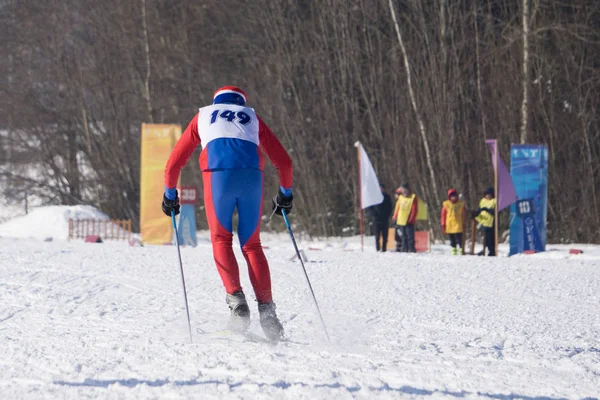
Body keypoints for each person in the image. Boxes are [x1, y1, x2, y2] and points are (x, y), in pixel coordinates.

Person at [162, 86, 293, 341]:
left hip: (217, 175)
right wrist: (285, 194)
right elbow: (284, 162)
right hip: (252, 177)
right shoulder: (251, 117)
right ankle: (268, 312)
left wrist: (170, 196)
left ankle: (237, 303)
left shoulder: (203, 115)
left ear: (216, 100)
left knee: (221, 238)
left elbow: (173, 164)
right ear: (242, 101)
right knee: (252, 245)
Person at [366, 184, 393, 252]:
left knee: (385, 236)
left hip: (384, 219)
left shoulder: (387, 197)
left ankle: (384, 249)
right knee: (377, 236)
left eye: (382, 188)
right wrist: (373, 215)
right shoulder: (373, 197)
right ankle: (377, 249)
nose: (380, 189)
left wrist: (387, 215)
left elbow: (390, 207)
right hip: (376, 219)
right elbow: (370, 208)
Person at [392, 183, 418, 253]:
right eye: (402, 190)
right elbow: (397, 208)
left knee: (410, 237)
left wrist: (411, 219)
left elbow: (414, 210)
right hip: (401, 220)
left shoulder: (413, 197)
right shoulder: (400, 197)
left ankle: (412, 250)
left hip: (409, 221)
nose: (404, 191)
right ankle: (404, 250)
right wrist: (395, 216)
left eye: (405, 190)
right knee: (403, 237)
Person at [472, 186, 496, 256]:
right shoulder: (483, 201)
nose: (488, 196)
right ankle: (485, 250)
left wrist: (487, 210)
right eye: (486, 194)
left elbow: (495, 212)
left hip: (491, 222)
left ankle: (491, 251)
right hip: (483, 221)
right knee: (485, 237)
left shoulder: (494, 201)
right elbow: (480, 209)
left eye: (489, 194)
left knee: (490, 238)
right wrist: (476, 214)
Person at [441, 188, 465, 255]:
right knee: (452, 238)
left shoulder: (460, 204)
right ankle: (454, 250)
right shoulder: (446, 204)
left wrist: (464, 222)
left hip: (458, 223)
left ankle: (461, 249)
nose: (453, 198)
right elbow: (443, 215)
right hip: (449, 223)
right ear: (449, 197)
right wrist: (443, 224)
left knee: (459, 237)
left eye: (454, 196)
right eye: (452, 196)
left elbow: (463, 213)